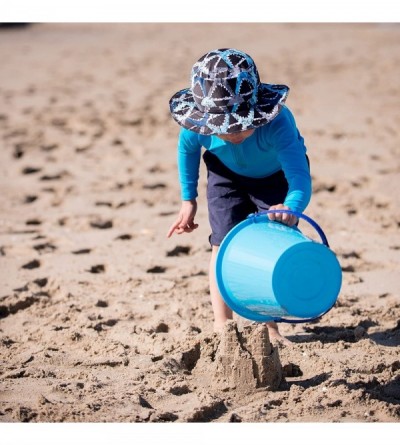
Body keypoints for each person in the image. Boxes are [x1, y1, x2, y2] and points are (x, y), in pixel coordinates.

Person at [166, 48, 311, 343]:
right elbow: (188, 150)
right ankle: (223, 328)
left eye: (240, 125)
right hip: (225, 175)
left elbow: (299, 176)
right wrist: (188, 199)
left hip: (274, 178)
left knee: (269, 248)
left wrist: (290, 207)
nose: (230, 133)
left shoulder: (279, 123)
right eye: (222, 128)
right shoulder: (198, 126)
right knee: (221, 245)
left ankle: (269, 327)